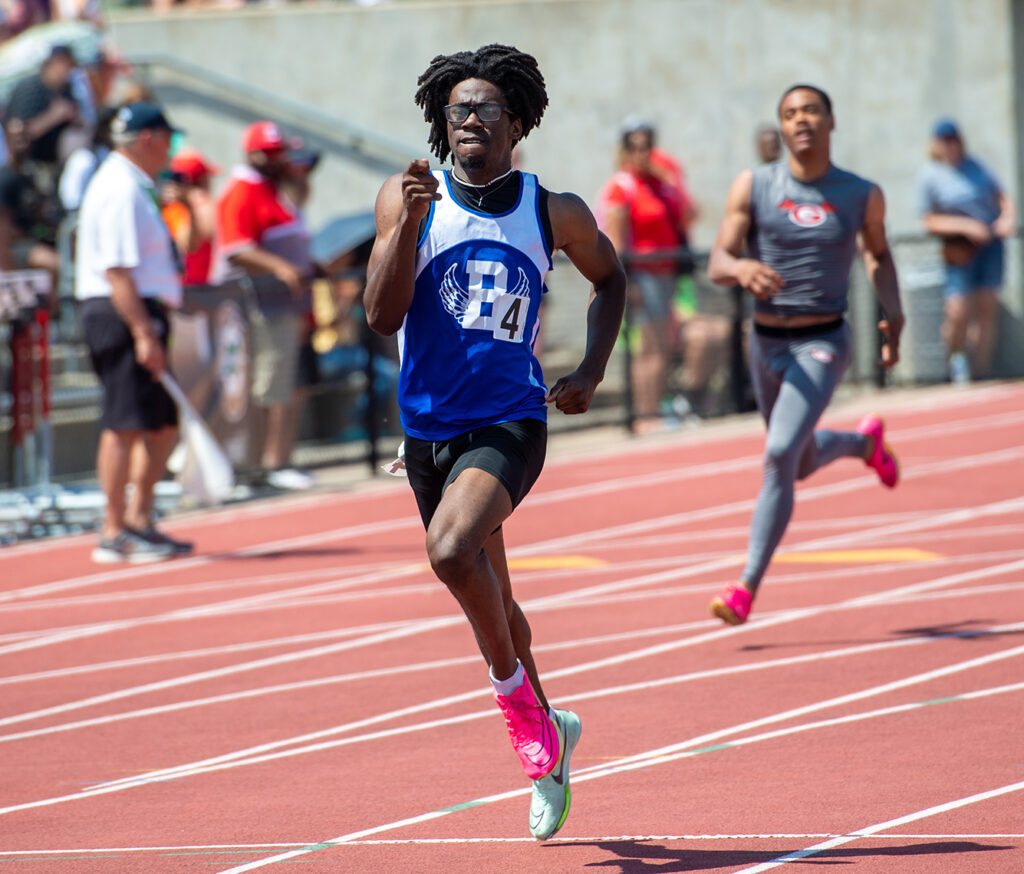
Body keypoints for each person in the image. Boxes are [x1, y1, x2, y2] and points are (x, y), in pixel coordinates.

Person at [364, 44, 625, 840]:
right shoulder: (412, 196)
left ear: (516, 121)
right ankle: (551, 742)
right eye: (457, 110)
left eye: (484, 109)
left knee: (450, 553)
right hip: (427, 431)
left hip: (511, 420)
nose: (469, 119)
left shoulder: (553, 210)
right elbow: (381, 314)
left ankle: (517, 709)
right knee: (497, 600)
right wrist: (403, 229)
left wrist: (589, 368)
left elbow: (610, 279)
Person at [706, 84, 904, 626]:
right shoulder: (755, 184)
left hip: (823, 341)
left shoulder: (861, 193)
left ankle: (745, 585)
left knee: (778, 455)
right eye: (790, 113)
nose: (802, 121)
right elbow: (719, 259)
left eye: (811, 111)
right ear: (782, 126)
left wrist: (894, 313)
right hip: (765, 341)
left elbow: (880, 257)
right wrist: (742, 269)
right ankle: (864, 444)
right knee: (799, 460)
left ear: (831, 121)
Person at [75, 102, 194, 563]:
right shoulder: (119, 187)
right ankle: (113, 528)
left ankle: (139, 519)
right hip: (123, 312)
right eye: (168, 140)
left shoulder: (133, 184)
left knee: (161, 423)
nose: (171, 151)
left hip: (139, 310)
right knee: (124, 423)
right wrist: (143, 333)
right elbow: (117, 271)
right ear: (147, 139)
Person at [212, 121, 316, 490]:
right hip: (259, 305)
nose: (279, 159)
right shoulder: (241, 189)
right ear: (253, 154)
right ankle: (265, 465)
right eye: (272, 154)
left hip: (283, 305)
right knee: (269, 384)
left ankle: (277, 460)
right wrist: (283, 268)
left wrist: (307, 266)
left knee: (284, 383)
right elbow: (236, 249)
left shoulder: (268, 189)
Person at [599, 118, 703, 428]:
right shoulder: (621, 186)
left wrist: (673, 181)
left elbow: (691, 215)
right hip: (642, 276)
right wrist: (628, 285)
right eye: (637, 149)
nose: (644, 155)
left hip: (666, 274)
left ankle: (654, 411)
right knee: (649, 349)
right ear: (626, 151)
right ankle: (645, 415)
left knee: (662, 347)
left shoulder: (659, 184)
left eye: (648, 148)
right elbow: (617, 243)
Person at [917, 118, 1016, 384]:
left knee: (986, 308)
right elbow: (928, 219)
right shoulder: (931, 175)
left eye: (954, 139)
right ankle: (955, 365)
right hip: (960, 250)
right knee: (957, 311)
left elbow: (1002, 197)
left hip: (990, 245)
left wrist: (1007, 219)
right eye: (945, 140)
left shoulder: (977, 166)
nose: (951, 145)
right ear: (937, 144)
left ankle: (981, 372)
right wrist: (966, 226)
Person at [4, 45, 86, 168]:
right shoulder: (30, 87)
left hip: (56, 161)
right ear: (49, 64)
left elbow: (81, 124)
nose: (66, 70)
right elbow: (18, 132)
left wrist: (73, 117)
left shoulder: (67, 89)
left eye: (69, 65)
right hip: (27, 164)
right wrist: (53, 116)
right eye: (61, 63)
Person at [161, 147, 219, 285]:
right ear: (201, 180)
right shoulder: (199, 205)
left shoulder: (171, 207)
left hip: (183, 286)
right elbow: (187, 246)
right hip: (193, 287)